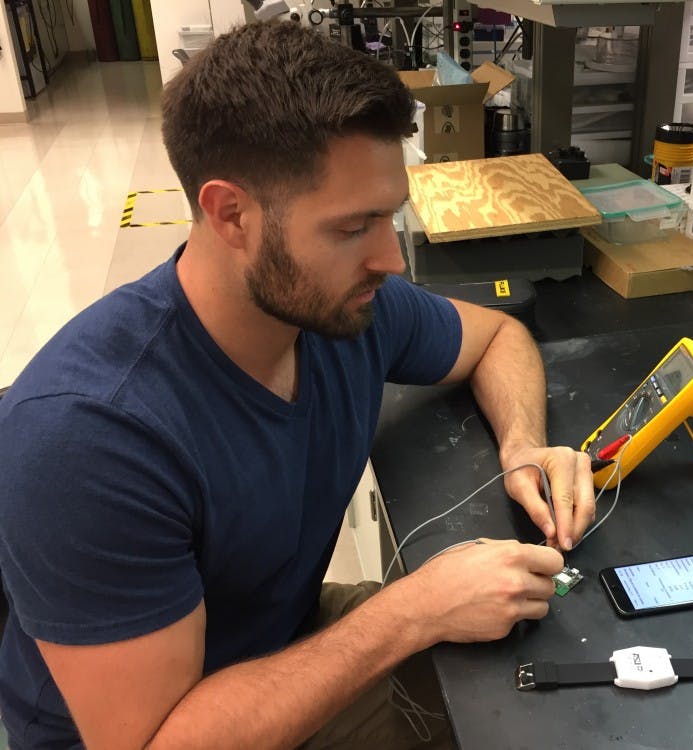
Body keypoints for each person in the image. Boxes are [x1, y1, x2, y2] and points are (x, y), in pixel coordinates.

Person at [0, 21, 597, 750]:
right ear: (232, 216)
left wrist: (522, 446)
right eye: (353, 228)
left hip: (270, 637)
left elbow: (500, 337)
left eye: (391, 217)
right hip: (164, 728)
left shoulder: (335, 306)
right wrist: (412, 611)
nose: (391, 259)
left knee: (543, 671)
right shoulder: (89, 437)